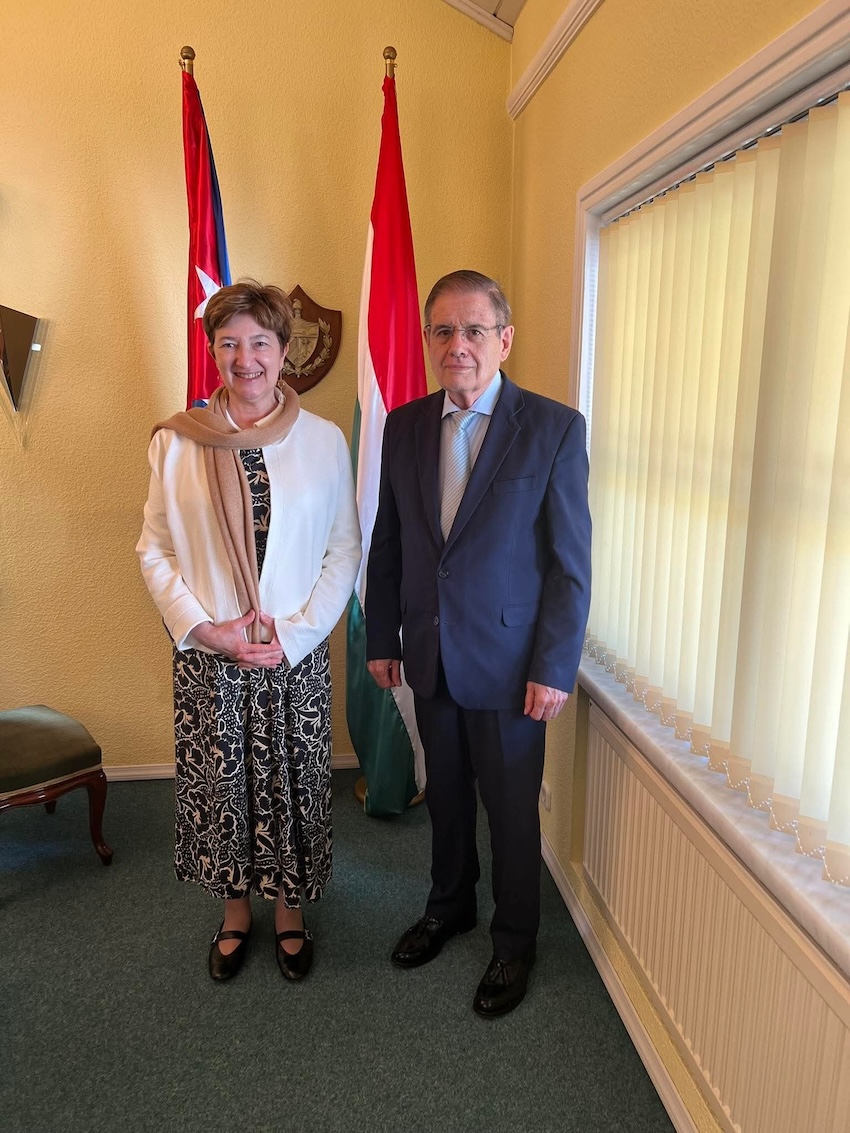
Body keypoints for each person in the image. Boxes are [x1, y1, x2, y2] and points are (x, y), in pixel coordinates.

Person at [365, 270, 591, 1017]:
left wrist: (554, 667)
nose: (456, 345)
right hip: (430, 654)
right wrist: (383, 633)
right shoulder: (404, 426)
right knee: (447, 795)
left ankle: (515, 939)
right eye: (443, 331)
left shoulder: (554, 428)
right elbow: (390, 540)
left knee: (512, 810)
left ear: (504, 339)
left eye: (473, 330)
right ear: (429, 339)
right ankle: (449, 905)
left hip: (512, 667)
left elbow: (570, 565)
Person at [137, 280, 360, 983]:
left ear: (283, 350)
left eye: (260, 341)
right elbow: (154, 549)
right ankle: (235, 911)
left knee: (293, 784)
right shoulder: (176, 441)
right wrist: (207, 629)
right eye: (229, 342)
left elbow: (343, 551)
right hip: (213, 655)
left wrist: (293, 636)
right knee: (224, 786)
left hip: (292, 655)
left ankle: (290, 911)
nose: (245, 358)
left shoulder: (323, 440)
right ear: (212, 351)